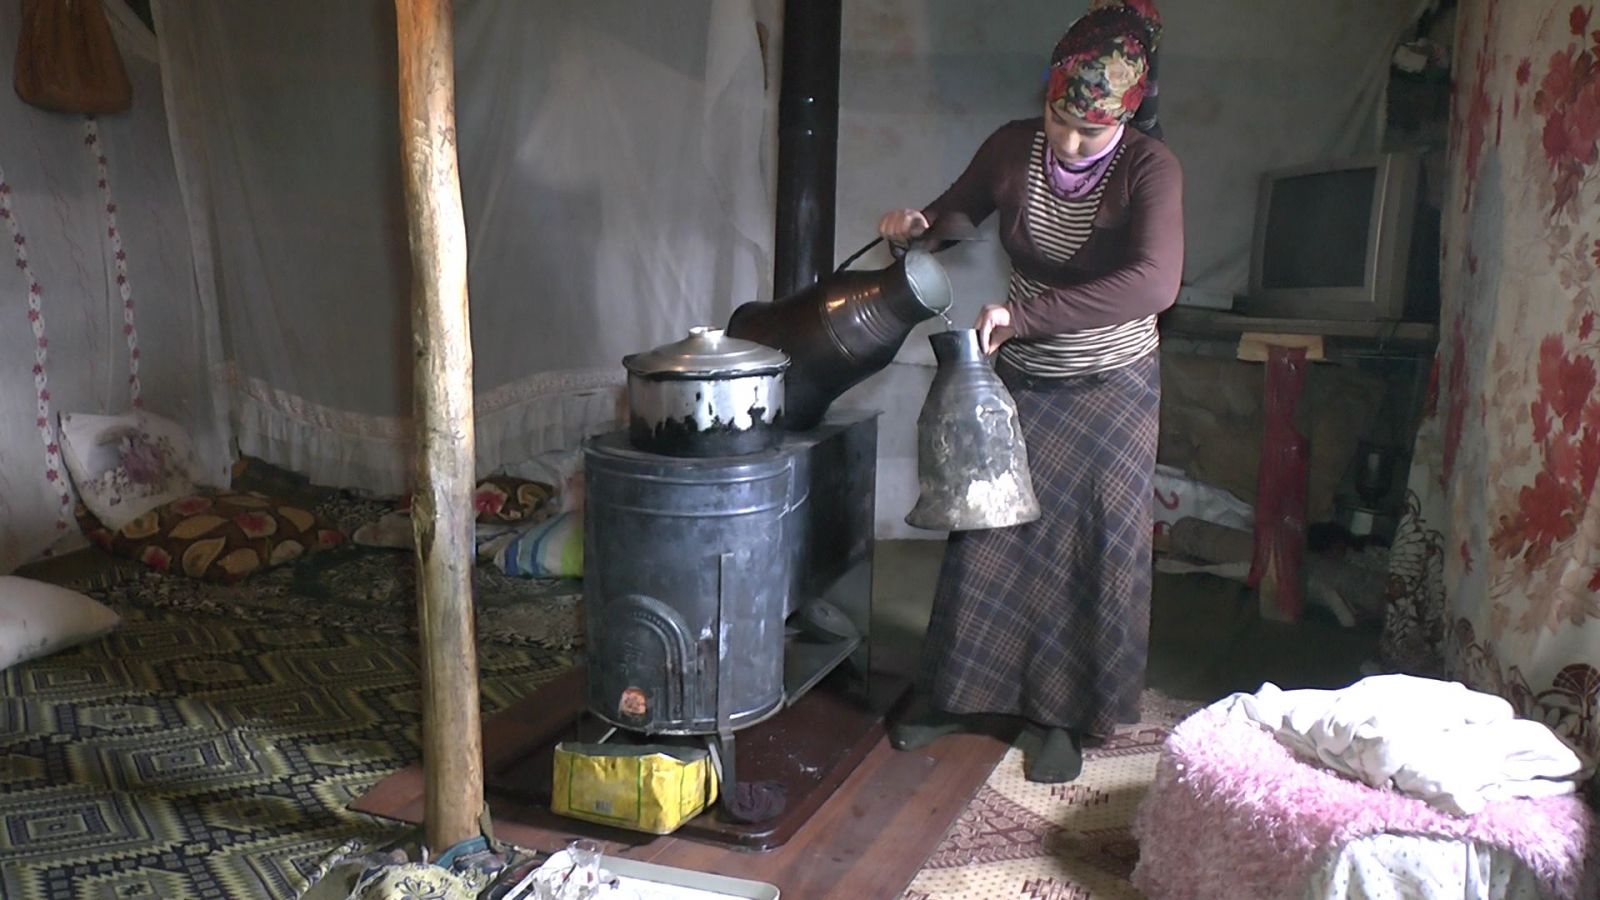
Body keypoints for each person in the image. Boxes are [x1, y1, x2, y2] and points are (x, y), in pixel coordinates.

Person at [877, 0, 1182, 784]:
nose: (1071, 141)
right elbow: (960, 210)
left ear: (1126, 117)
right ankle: (960, 695)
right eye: (1061, 121)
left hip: (1113, 384)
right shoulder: (1014, 147)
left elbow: (1155, 283)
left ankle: (1061, 718)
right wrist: (919, 226)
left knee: (1087, 544)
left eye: (1091, 131)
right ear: (1045, 97)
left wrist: (1026, 316)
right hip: (1028, 375)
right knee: (990, 528)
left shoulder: (1150, 168)